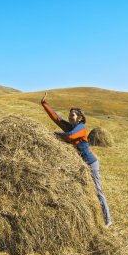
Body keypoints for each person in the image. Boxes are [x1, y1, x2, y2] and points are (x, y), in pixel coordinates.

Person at [41, 92, 112, 227]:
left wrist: (53, 134)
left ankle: (107, 220)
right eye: (69, 114)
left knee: (97, 191)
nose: (69, 116)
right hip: (80, 165)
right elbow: (57, 119)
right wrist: (44, 104)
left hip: (91, 164)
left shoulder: (81, 128)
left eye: (72, 115)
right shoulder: (71, 126)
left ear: (79, 118)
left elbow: (70, 137)